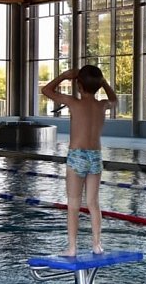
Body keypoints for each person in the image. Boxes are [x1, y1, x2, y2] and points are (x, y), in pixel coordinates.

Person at [41, 66, 116, 256]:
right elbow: (115, 100)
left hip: (77, 156)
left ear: (79, 85)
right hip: (95, 156)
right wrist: (103, 82)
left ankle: (72, 248)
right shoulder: (102, 105)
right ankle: (97, 245)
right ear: (98, 86)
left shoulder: (73, 102)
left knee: (73, 204)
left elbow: (46, 90)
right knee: (93, 203)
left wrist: (65, 75)